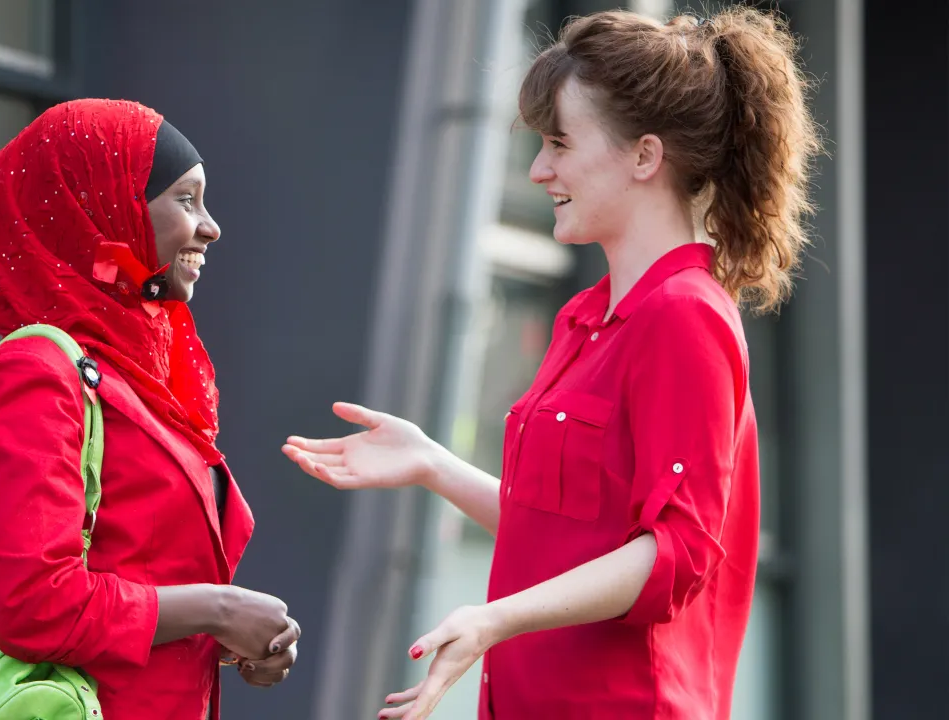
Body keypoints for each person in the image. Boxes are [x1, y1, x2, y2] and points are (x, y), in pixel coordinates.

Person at [284, 7, 820, 720]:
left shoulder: (685, 315)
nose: (539, 170)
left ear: (644, 156)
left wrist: (496, 618)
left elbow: (678, 554)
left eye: (560, 143)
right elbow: (567, 536)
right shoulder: (586, 319)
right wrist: (432, 464)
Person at [0, 98, 299, 719]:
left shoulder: (135, 380)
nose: (210, 227)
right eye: (186, 200)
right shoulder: (33, 378)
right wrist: (216, 609)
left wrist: (226, 638)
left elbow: (128, 574)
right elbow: (34, 607)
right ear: (101, 208)